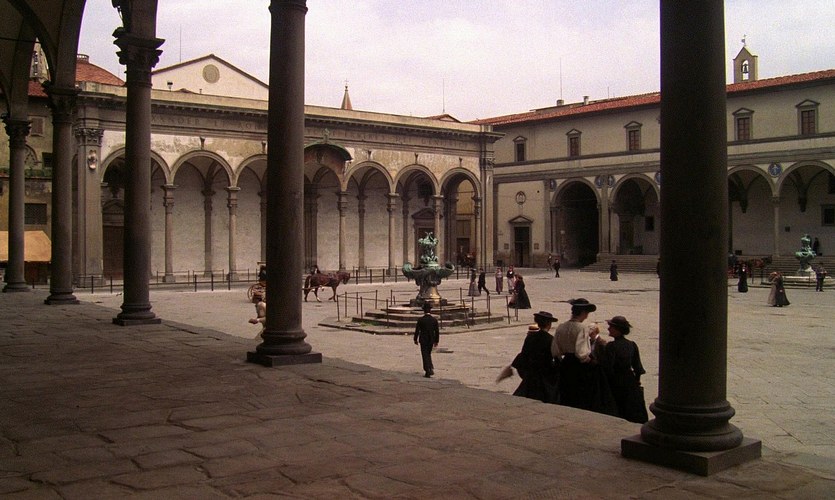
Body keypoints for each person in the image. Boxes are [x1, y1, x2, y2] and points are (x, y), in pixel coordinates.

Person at [551, 299, 617, 416]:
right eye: (586, 313)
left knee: (566, 392)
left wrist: (561, 360)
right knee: (580, 394)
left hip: (566, 362)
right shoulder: (582, 328)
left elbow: (555, 349)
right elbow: (581, 353)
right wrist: (591, 361)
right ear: (582, 313)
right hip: (578, 365)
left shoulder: (561, 326)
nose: (587, 316)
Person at [602, 315, 648, 423]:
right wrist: (636, 381)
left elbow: (608, 367)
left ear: (618, 330)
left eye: (611, 327)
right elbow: (638, 367)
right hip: (630, 380)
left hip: (616, 382)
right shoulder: (632, 345)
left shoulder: (611, 346)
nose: (609, 329)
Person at [506, 312, 560, 403]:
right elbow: (556, 357)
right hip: (545, 374)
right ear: (549, 324)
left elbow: (524, 354)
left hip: (531, 373)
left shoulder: (530, 337)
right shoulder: (550, 339)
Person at [414, 302, 440, 378]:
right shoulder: (434, 320)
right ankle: (430, 367)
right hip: (431, 340)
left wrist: (415, 339)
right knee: (428, 353)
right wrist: (436, 341)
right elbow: (437, 331)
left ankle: (427, 370)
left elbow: (417, 330)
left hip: (423, 339)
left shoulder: (421, 320)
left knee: (424, 355)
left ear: (424, 310)